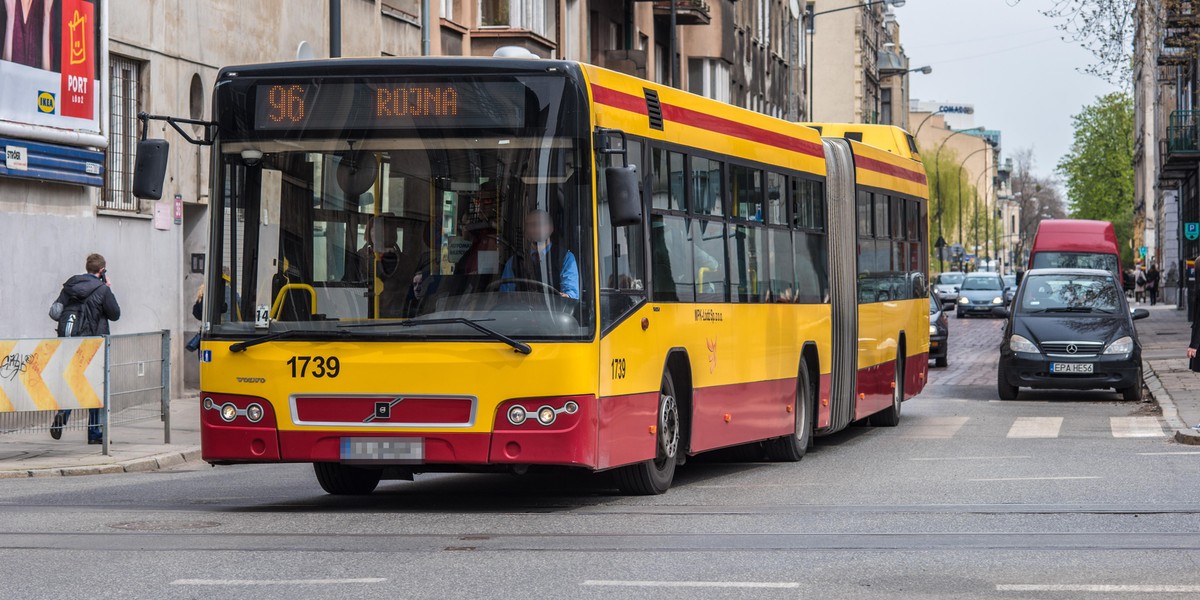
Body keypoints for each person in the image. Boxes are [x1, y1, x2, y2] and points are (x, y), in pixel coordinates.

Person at [49, 253, 120, 445]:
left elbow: (55, 312)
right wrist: (107, 289)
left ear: (87, 267)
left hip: (69, 341)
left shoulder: (70, 285)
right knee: (94, 386)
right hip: (92, 343)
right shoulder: (102, 290)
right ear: (102, 270)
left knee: (75, 381)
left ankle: (63, 414)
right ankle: (94, 433)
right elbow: (115, 314)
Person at [500, 209, 579, 299]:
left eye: (539, 224)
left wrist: (565, 297)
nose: (535, 229)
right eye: (530, 225)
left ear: (551, 228)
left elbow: (571, 295)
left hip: (553, 312)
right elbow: (504, 295)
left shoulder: (565, 258)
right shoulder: (514, 261)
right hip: (520, 311)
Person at [2, 0, 54, 70]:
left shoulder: (45, 4)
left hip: (37, 81)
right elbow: (4, 74)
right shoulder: (6, 3)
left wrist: (46, 16)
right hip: (11, 79)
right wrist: (10, 17)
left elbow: (47, 76)